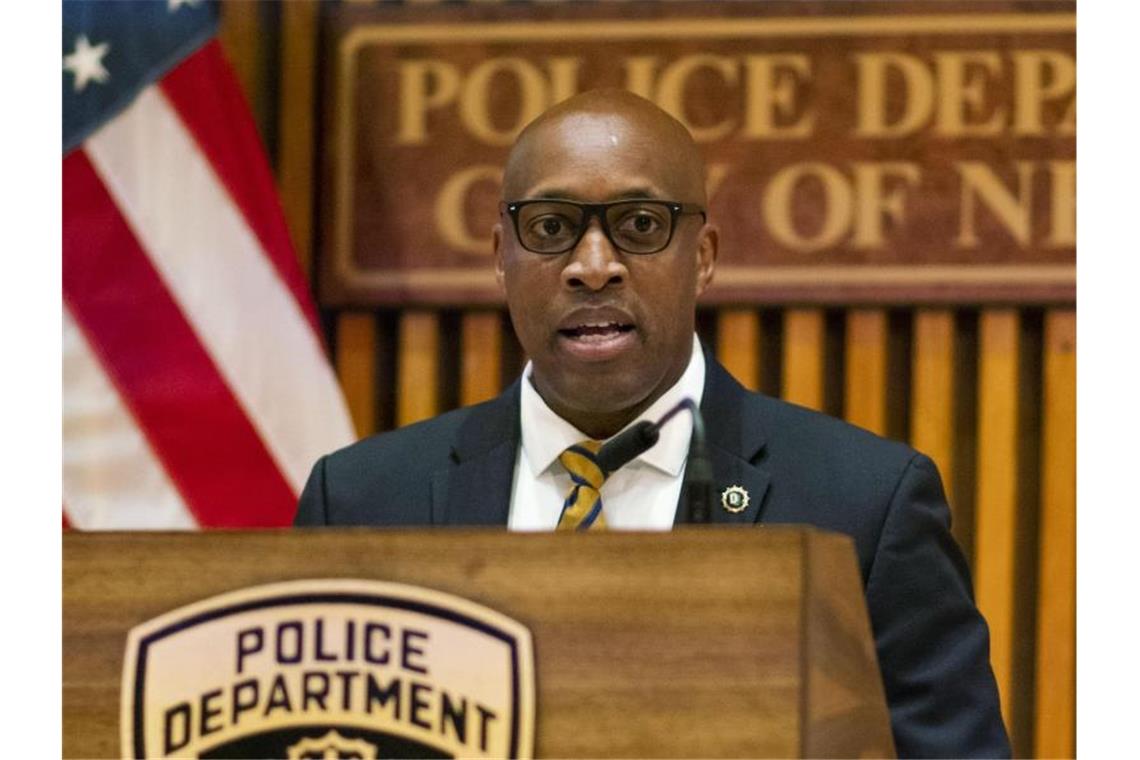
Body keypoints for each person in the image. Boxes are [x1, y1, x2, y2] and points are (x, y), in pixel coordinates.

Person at [296, 89, 1010, 757]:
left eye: (640, 226)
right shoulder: (360, 501)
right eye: (550, 228)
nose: (593, 266)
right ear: (500, 261)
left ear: (701, 259)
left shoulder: (862, 506)